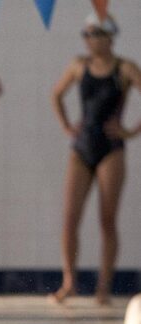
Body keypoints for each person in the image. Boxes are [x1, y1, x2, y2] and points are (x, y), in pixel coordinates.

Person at [50, 14, 141, 306]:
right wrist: (66, 126)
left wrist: (130, 131)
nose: (89, 40)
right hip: (81, 148)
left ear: (109, 37)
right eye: (86, 34)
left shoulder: (125, 68)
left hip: (111, 150)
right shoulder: (79, 66)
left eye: (94, 34)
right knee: (69, 219)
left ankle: (103, 287)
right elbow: (56, 95)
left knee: (107, 220)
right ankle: (69, 283)